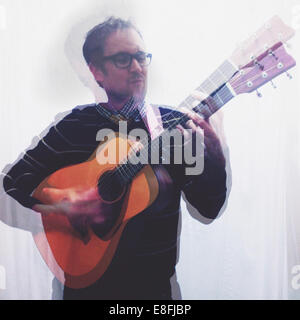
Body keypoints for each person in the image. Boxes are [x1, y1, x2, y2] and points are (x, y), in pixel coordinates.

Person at [3, 16, 228, 300]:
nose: (137, 68)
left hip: (154, 294)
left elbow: (209, 207)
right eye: (123, 59)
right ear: (97, 71)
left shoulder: (174, 125)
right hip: (82, 291)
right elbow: (13, 183)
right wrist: (62, 202)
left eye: (141, 57)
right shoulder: (74, 126)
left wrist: (216, 156)